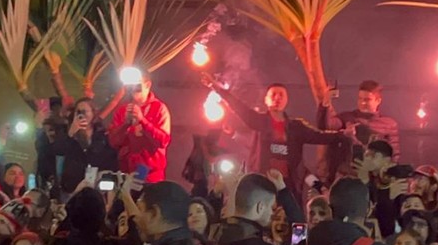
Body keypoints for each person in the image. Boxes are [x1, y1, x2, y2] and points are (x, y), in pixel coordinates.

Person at [202, 75, 349, 201]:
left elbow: (320, 138)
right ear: (266, 100)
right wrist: (217, 88)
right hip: (262, 188)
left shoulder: (296, 127)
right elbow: (240, 107)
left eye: (281, 95)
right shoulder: (259, 122)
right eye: (273, 95)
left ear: (287, 100)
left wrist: (343, 134)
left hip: (289, 190)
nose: (277, 98)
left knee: (294, 228)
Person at [316, 80, 401, 182]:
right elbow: (325, 126)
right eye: (360, 98)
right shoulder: (347, 118)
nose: (362, 103)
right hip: (347, 176)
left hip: (373, 178)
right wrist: (325, 102)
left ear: (378, 101)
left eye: (367, 99)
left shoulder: (388, 124)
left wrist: (386, 178)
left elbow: (394, 155)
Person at [107, 72, 172, 182]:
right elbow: (113, 142)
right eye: (131, 86)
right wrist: (126, 124)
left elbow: (163, 141)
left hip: (151, 175)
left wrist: (143, 121)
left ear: (147, 85)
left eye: (137, 85)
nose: (134, 89)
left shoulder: (159, 108)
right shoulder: (122, 111)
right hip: (126, 174)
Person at [54, 98, 119, 196]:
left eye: (85, 111)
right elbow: (58, 151)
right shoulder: (66, 132)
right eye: (78, 111)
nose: (81, 115)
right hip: (73, 186)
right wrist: (71, 132)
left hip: (97, 185)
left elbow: (109, 158)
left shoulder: (102, 134)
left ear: (93, 113)